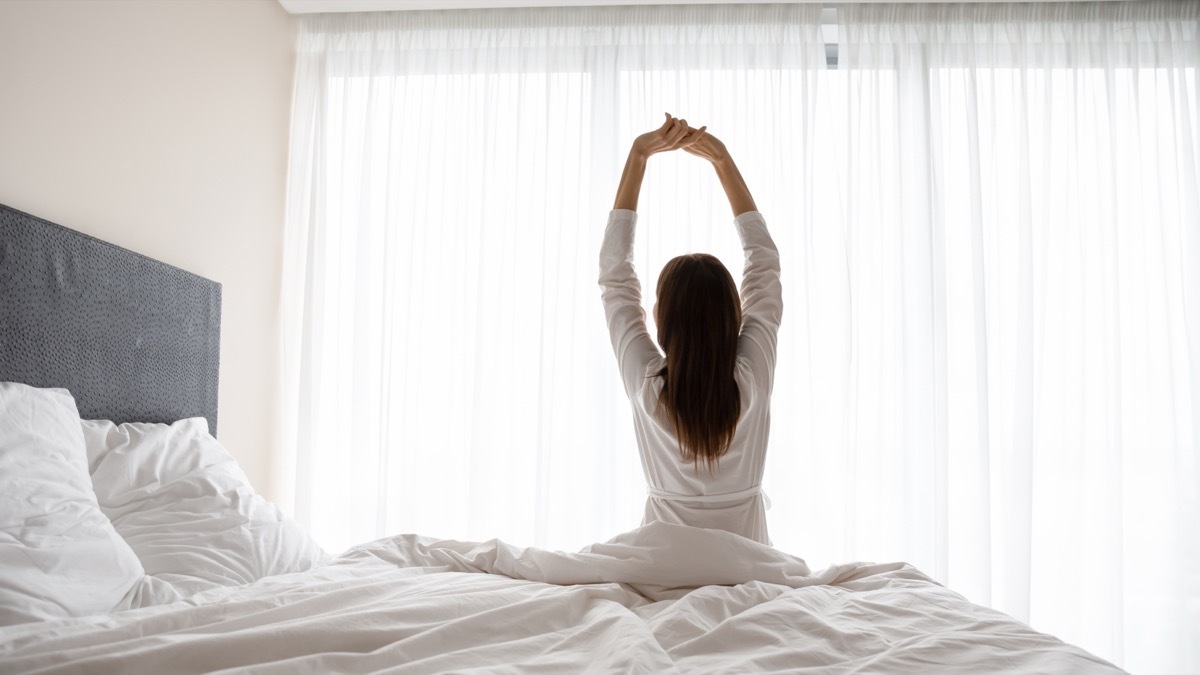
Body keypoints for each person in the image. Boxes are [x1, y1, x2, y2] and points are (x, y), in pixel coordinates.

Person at [599, 114, 782, 545]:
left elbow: (616, 280)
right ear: (732, 313)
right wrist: (721, 160)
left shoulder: (649, 386)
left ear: (664, 317)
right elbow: (764, 265)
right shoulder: (751, 377)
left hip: (659, 563)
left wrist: (639, 157)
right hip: (750, 566)